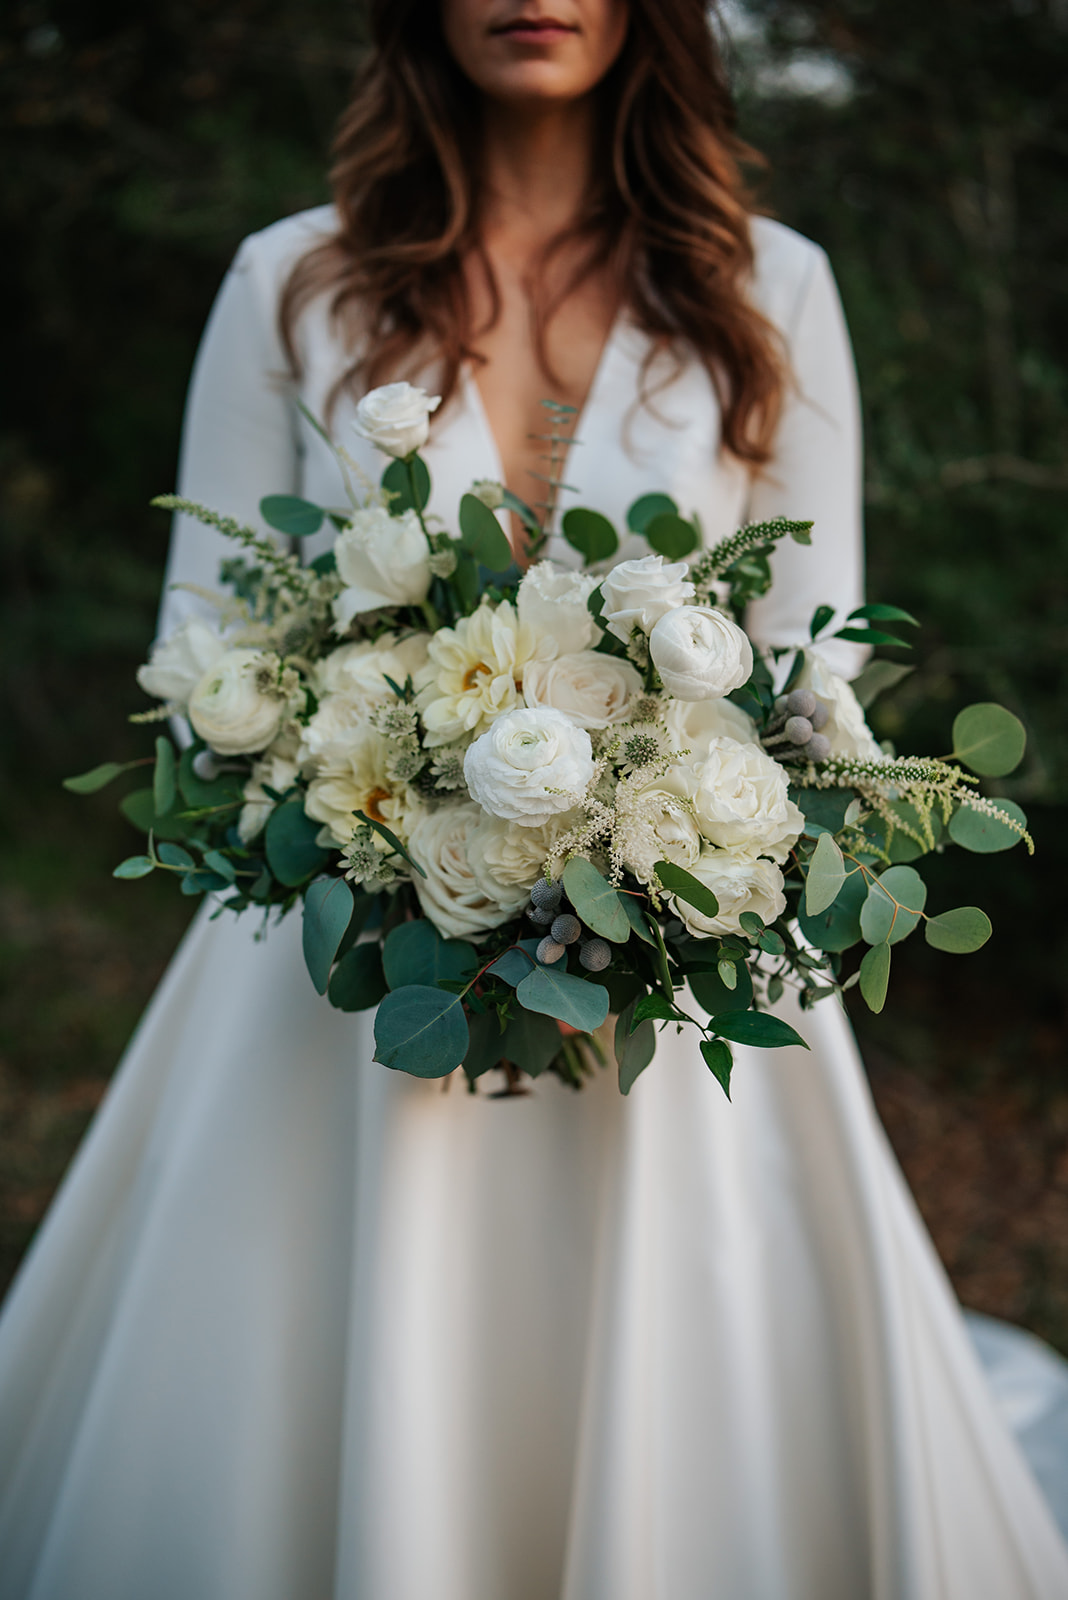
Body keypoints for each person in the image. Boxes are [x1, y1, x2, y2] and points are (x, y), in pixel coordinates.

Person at [1, 2, 1066, 1596]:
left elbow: (815, 669)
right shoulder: (297, 277)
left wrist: (659, 884)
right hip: (350, 970)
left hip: (688, 961)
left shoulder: (770, 286)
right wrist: (378, 799)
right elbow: (200, 651)